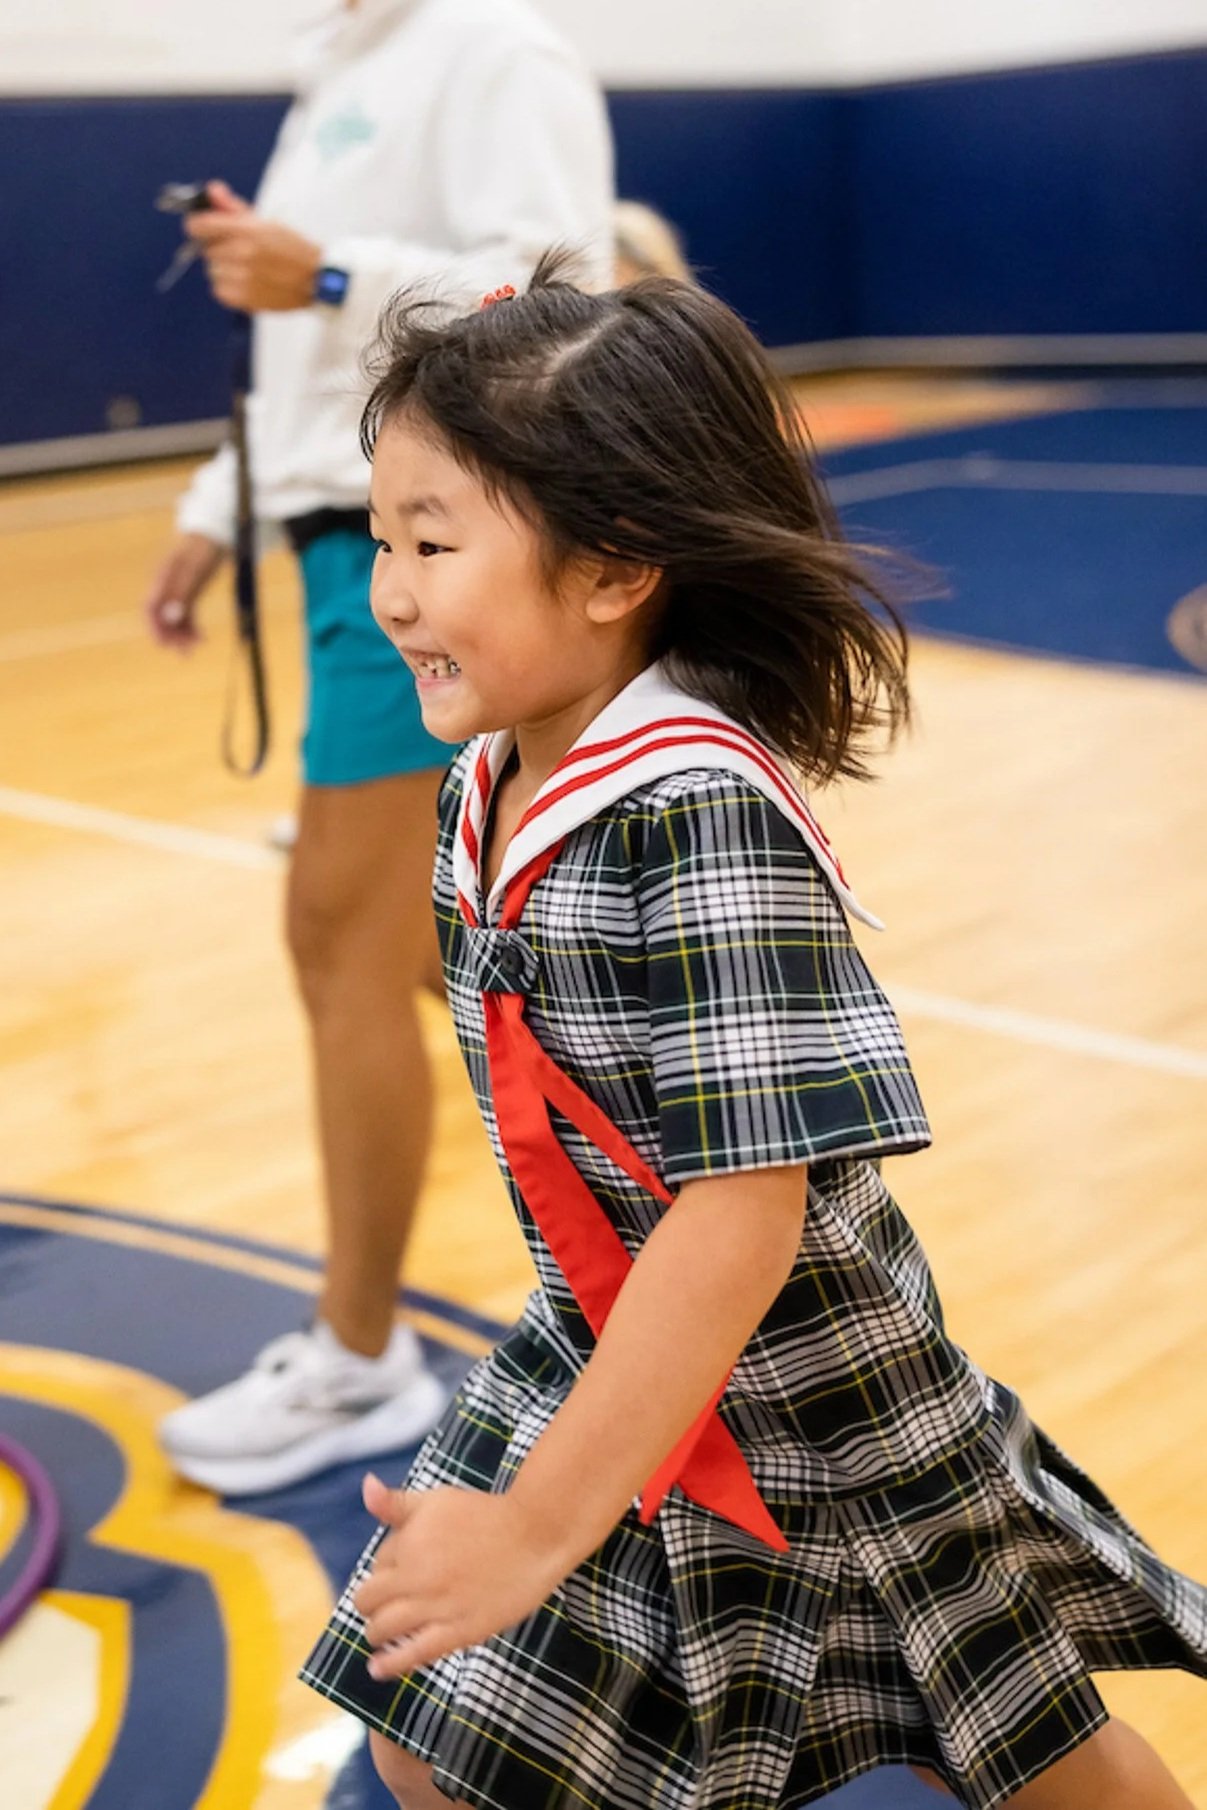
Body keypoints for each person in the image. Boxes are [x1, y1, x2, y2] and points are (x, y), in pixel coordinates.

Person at [297, 261, 1207, 1809]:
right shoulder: (488, 782)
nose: (390, 590)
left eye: (433, 543)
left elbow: (745, 1207)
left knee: (1029, 1745)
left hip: (817, 1390)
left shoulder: (698, 811)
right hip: (610, 1324)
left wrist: (535, 1524)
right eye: (382, 538)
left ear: (612, 568)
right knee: (424, 1714)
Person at [143, 0, 613, 1496]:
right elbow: (307, 362)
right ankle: (649, 1244)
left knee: (342, 935)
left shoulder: (493, 47)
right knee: (416, 947)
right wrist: (220, 511)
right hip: (330, 528)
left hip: (411, 540)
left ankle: (361, 1358)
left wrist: (330, 269)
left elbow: (563, 289)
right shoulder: (336, 72)